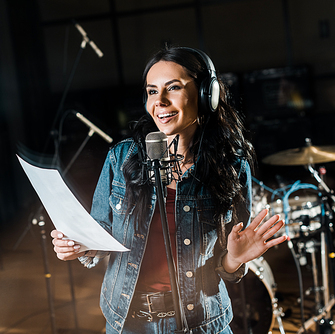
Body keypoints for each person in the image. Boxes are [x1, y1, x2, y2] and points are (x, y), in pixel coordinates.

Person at [51, 46, 289, 333]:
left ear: (206, 95)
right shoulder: (121, 158)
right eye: (152, 91)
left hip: (201, 323)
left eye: (172, 88)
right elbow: (100, 231)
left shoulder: (231, 168)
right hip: (129, 322)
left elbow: (225, 267)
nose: (159, 102)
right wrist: (80, 245)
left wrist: (234, 259)